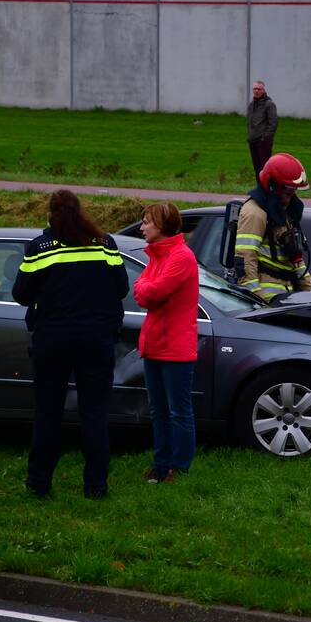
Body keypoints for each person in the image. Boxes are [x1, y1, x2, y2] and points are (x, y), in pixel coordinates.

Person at [12, 190, 129, 499]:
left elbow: (21, 294)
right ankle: (96, 487)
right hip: (96, 341)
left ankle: (39, 485)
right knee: (95, 414)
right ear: (81, 212)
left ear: (51, 214)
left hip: (53, 340)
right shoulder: (105, 244)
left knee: (48, 413)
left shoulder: (40, 248)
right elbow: (121, 287)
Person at [133, 202, 199, 484]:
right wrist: (144, 287)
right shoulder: (157, 256)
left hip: (175, 348)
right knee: (158, 410)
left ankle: (179, 467)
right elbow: (140, 288)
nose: (142, 227)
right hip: (155, 344)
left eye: (146, 222)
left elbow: (151, 293)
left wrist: (144, 287)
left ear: (161, 226)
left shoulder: (181, 257)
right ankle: (161, 465)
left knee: (178, 411)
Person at [234, 152, 311, 301]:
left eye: (294, 191)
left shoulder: (284, 212)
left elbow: (297, 260)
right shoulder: (255, 213)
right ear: (273, 187)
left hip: (286, 297)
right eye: (288, 191)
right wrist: (257, 299)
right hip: (266, 300)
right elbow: (245, 258)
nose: (292, 197)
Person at [246, 80, 278, 183]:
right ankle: (259, 188)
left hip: (263, 141)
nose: (256, 91)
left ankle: (268, 188)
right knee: (257, 168)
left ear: (263, 90)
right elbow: (250, 123)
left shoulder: (269, 104)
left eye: (259, 89)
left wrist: (265, 138)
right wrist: (249, 136)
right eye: (254, 89)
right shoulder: (251, 105)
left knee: (265, 168)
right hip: (253, 140)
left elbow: (273, 123)